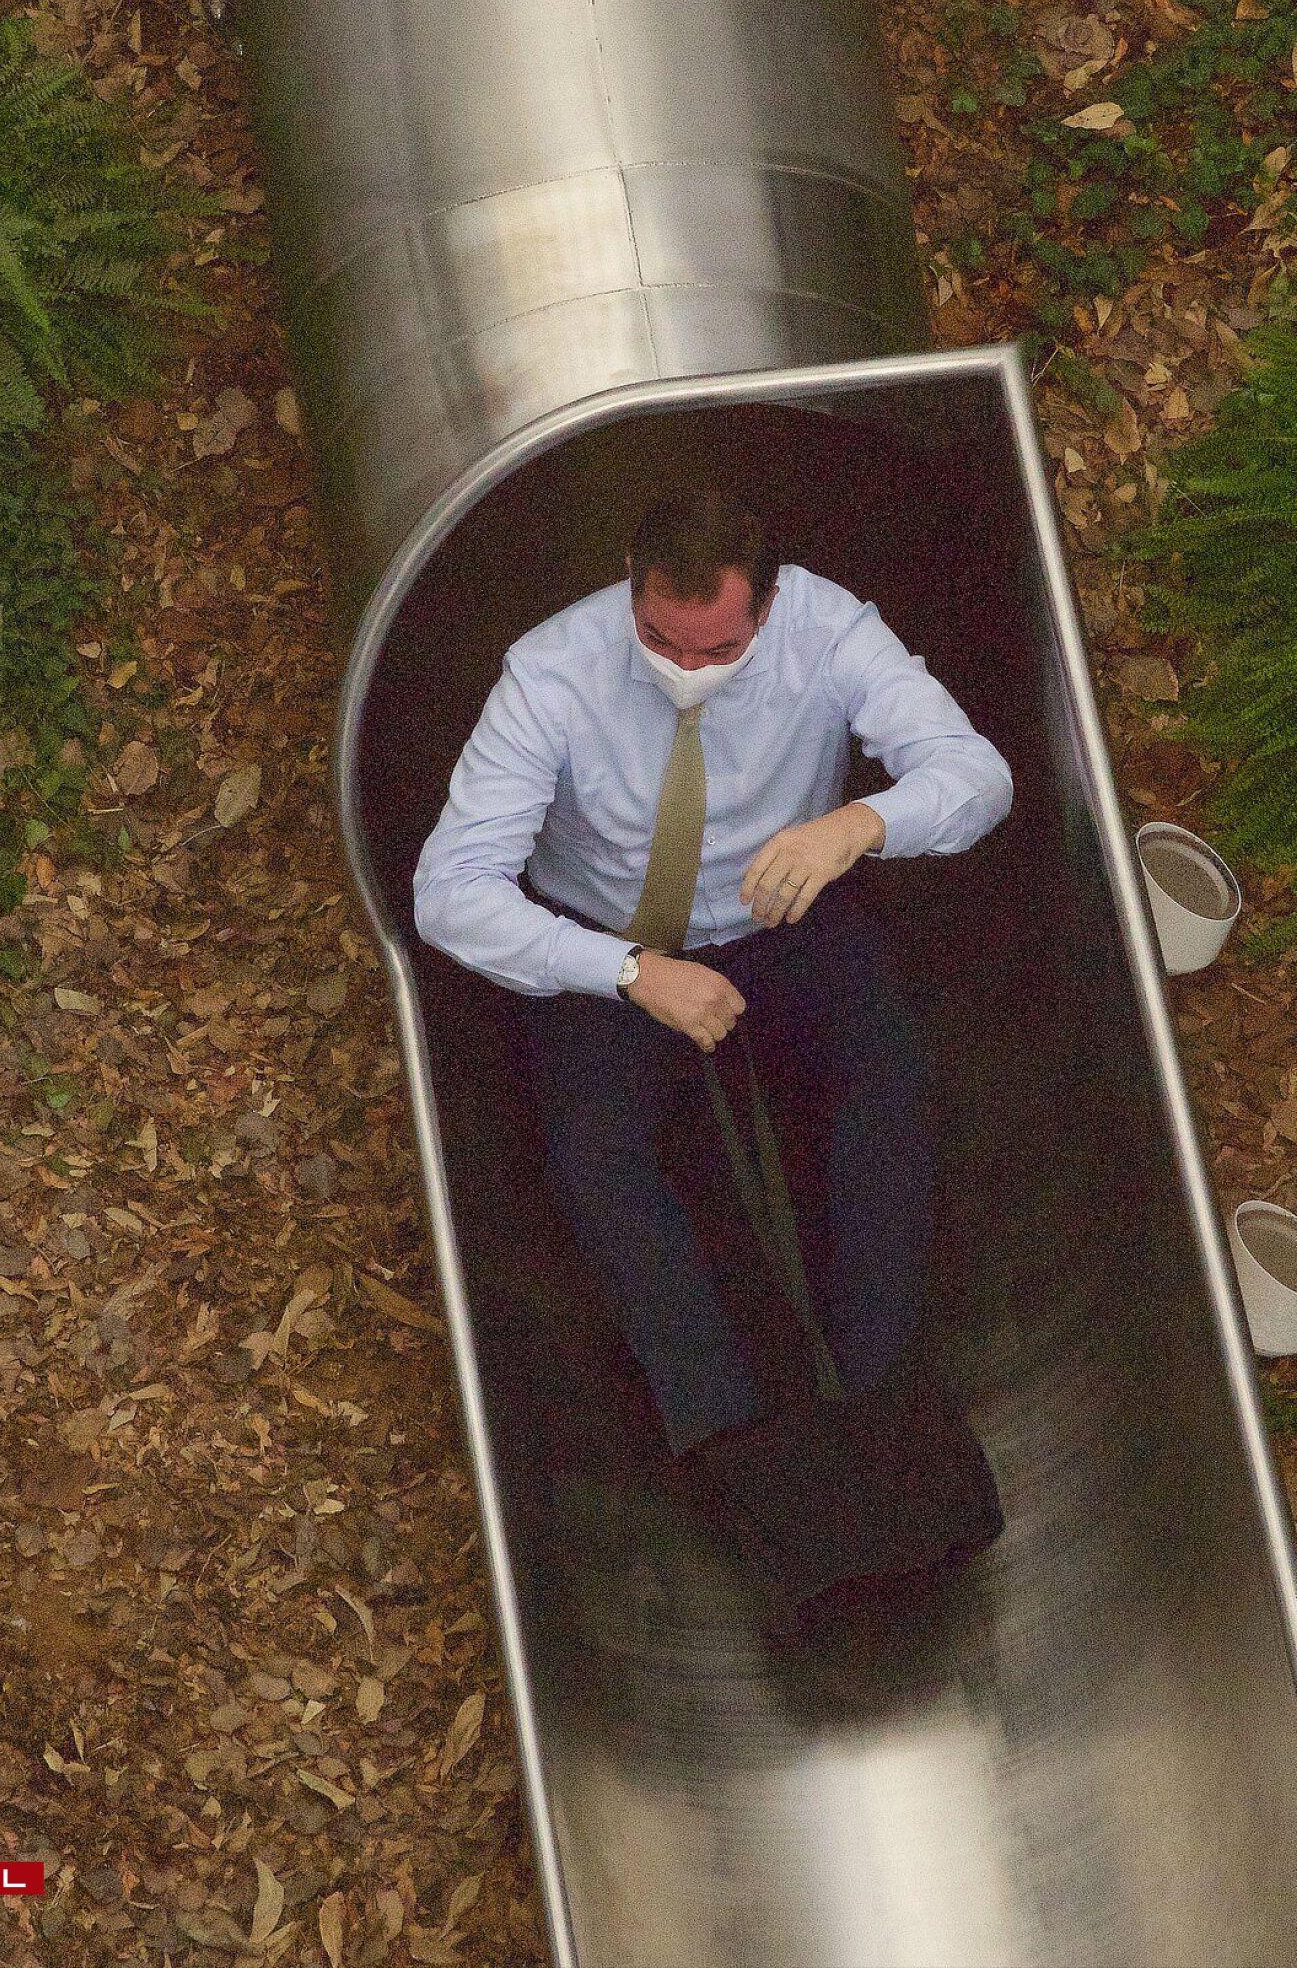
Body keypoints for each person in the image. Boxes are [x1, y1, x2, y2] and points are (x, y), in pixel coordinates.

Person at [413, 486, 1013, 1618]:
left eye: (720, 650)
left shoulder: (828, 631)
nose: (687, 669)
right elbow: (450, 893)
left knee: (886, 1078)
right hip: (609, 943)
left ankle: (883, 1390)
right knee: (599, 1165)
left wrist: (856, 825)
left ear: (766, 609)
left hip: (779, 918)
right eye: (661, 641)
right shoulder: (551, 674)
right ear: (630, 585)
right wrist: (630, 972)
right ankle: (743, 1452)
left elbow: (977, 777)